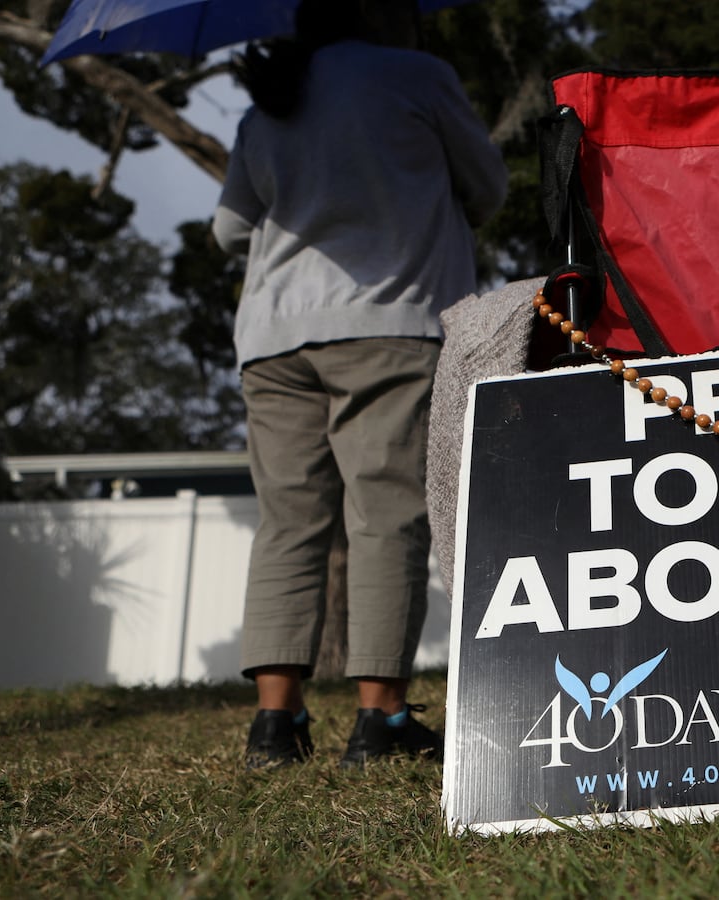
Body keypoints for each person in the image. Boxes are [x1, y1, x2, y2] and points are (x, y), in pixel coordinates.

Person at [213, 0, 509, 767]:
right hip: (388, 321)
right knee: (384, 518)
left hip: (274, 336)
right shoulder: (416, 76)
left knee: (288, 522)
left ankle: (275, 727)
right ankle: (380, 724)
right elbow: (488, 191)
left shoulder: (273, 96)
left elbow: (228, 229)